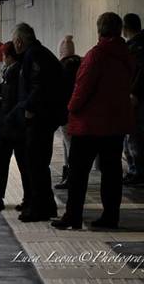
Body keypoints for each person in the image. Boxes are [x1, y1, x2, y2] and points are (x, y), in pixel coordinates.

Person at [52, 12, 134, 230]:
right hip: (115, 123)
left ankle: (73, 216)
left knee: (78, 173)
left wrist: (70, 108)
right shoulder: (126, 54)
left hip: (89, 124)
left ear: (99, 30)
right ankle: (110, 216)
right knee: (112, 173)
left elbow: (82, 88)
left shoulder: (96, 55)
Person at [12, 23, 66, 222]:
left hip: (40, 119)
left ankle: (38, 208)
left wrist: (29, 109)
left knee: (35, 164)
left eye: (14, 41)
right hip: (48, 117)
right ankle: (47, 205)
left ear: (19, 41)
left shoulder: (33, 56)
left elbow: (38, 85)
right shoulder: (41, 53)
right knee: (40, 164)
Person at [0, 41, 30, 212]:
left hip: (10, 127)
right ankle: (27, 198)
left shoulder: (14, 72)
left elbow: (6, 95)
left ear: (9, 56)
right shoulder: (16, 71)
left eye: (4, 55)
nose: (2, 58)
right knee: (21, 163)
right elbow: (2, 90)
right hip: (14, 127)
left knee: (5, 163)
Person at [122, 13, 144, 187]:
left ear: (125, 28)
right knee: (130, 134)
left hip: (137, 96)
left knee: (134, 134)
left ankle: (139, 174)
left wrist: (133, 93)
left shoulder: (141, 47)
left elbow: (142, 73)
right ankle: (133, 171)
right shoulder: (138, 45)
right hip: (135, 95)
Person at [55, 36, 82, 189]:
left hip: (67, 111)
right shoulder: (80, 64)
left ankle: (70, 176)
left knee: (69, 144)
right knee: (70, 144)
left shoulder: (63, 67)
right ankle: (69, 175)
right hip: (78, 111)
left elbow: (61, 91)